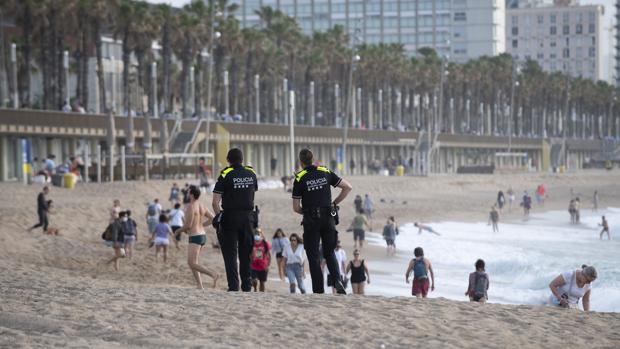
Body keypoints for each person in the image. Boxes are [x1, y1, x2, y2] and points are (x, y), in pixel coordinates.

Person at [291, 148, 352, 294]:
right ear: (313, 159)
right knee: (329, 252)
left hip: (311, 219)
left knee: (313, 256)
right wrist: (334, 203)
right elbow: (348, 187)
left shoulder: (300, 178)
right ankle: (337, 280)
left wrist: (306, 212)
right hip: (328, 217)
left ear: (301, 162)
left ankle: (318, 290)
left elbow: (295, 207)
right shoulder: (325, 171)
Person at [212, 148, 258, 292]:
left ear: (228, 160)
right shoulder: (251, 173)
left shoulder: (225, 174)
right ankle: (247, 286)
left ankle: (233, 286)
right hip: (248, 218)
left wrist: (219, 216)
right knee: (246, 254)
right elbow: (252, 193)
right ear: (242, 159)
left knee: (230, 254)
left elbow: (215, 202)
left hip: (230, 217)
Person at [176, 185, 219, 289]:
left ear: (191, 194)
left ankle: (213, 274)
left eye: (188, 192)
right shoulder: (202, 205)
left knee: (191, 263)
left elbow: (188, 225)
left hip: (195, 237)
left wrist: (178, 231)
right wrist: (202, 225)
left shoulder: (190, 206)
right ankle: (199, 285)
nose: (187, 193)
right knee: (194, 262)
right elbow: (213, 218)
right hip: (202, 236)